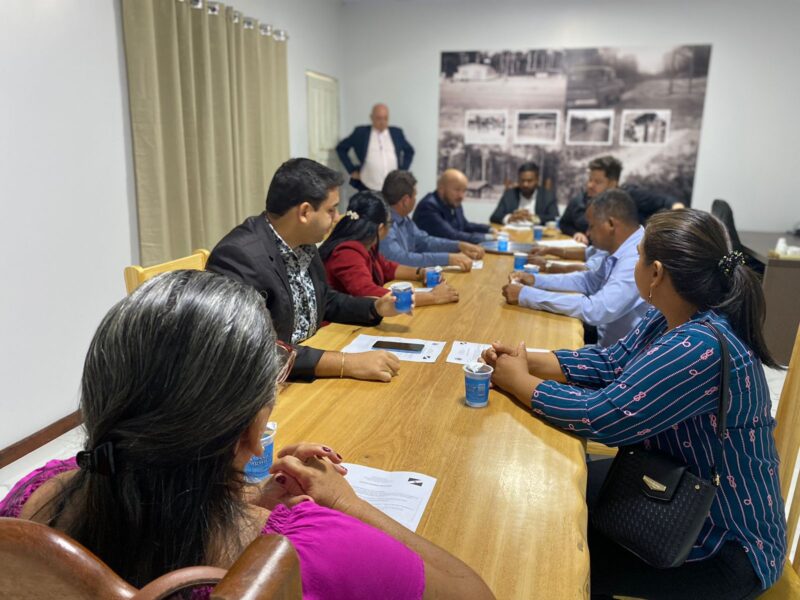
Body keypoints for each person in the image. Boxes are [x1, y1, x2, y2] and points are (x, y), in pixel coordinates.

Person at [0, 271, 494, 600]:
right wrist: (346, 502)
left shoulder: (34, 499)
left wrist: (253, 499)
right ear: (249, 435)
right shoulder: (310, 552)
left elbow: (152, 511)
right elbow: (473, 593)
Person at [482, 209, 786, 599]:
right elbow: (611, 362)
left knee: (554, 551)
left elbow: (607, 416)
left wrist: (519, 381)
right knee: (551, 498)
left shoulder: (698, 346)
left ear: (656, 272)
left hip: (721, 545)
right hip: (671, 484)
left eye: (638, 255)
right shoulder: (672, 318)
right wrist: (530, 360)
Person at [207, 158, 404, 382]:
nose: (338, 217)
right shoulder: (238, 256)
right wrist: (346, 363)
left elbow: (324, 300)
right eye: (331, 209)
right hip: (267, 386)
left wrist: (374, 307)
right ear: (305, 212)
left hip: (308, 359)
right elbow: (253, 350)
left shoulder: (303, 243)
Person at [504, 189, 648, 347]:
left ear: (611, 224)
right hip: (607, 350)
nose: (588, 232)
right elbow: (588, 281)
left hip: (620, 362)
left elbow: (596, 309)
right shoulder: (622, 248)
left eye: (591, 226)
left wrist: (526, 295)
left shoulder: (637, 256)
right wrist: (536, 280)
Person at [320, 191, 459, 307]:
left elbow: (388, 268)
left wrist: (420, 272)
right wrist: (432, 296)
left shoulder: (367, 245)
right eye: (390, 223)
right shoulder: (347, 253)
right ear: (380, 228)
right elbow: (369, 293)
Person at [560, 156, 684, 244]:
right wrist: (576, 233)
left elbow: (667, 201)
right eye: (590, 180)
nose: (590, 185)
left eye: (597, 182)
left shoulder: (630, 196)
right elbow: (564, 224)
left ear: (613, 183)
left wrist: (678, 210)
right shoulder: (579, 200)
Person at [381, 169, 484, 269]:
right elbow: (400, 260)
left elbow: (425, 241)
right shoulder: (383, 224)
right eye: (415, 196)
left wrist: (458, 245)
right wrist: (447, 259)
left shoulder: (404, 219)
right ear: (405, 201)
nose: (416, 200)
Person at [336, 103, 415, 191]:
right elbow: (341, 148)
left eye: (385, 118)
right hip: (368, 185)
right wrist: (351, 170)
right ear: (371, 117)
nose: (382, 122)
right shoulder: (360, 133)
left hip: (393, 187)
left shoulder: (396, 133)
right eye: (379, 118)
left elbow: (409, 151)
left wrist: (403, 171)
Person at [413, 169, 493, 244]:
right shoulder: (428, 207)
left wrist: (490, 230)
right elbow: (451, 236)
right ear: (441, 189)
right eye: (457, 190)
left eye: (464, 191)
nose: (461, 196)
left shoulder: (453, 202)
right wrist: (489, 238)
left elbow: (465, 225)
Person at [489, 162, 558, 225]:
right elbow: (494, 217)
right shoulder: (510, 194)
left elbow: (555, 217)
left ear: (537, 180)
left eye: (529, 181)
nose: (525, 184)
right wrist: (510, 218)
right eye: (522, 180)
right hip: (513, 234)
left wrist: (532, 218)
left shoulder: (547, 196)